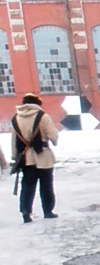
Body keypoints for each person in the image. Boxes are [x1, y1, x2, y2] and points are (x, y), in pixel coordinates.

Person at [11, 92, 59, 223]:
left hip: (26, 159)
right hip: (44, 156)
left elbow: (14, 141)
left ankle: (25, 211)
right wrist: (54, 142)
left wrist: (15, 157)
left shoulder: (16, 118)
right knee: (46, 185)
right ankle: (48, 211)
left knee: (27, 186)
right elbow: (53, 135)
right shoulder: (43, 116)